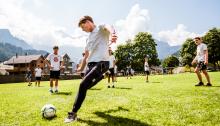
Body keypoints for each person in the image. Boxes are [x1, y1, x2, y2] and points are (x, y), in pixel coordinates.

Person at [64, 15, 117, 123]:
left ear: (88, 22)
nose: (83, 30)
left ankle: (73, 113)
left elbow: (109, 26)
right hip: (90, 65)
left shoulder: (101, 28)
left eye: (83, 28)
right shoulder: (88, 38)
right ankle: (102, 76)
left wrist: (113, 34)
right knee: (85, 86)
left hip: (102, 63)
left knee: (82, 85)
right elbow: (86, 56)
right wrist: (80, 68)